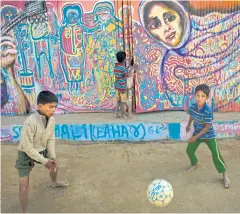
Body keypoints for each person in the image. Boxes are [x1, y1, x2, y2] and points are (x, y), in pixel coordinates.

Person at [15, 90, 69, 213]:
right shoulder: (30, 122)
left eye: (55, 107)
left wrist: (52, 157)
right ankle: (25, 211)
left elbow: (51, 138)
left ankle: (54, 182)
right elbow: (28, 148)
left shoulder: (52, 119)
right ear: (40, 106)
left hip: (41, 149)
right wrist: (45, 161)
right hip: (25, 153)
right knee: (24, 187)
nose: (54, 110)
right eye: (51, 107)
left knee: (54, 163)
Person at [186, 84, 231, 188]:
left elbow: (207, 127)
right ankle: (195, 163)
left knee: (216, 155)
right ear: (194, 95)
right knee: (189, 151)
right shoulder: (193, 106)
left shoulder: (207, 110)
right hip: (196, 133)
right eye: (198, 95)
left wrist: (195, 137)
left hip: (208, 135)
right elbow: (191, 115)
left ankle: (225, 174)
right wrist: (188, 125)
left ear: (206, 97)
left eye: (202, 96)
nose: (199, 98)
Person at [114, 51, 128, 118]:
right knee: (123, 101)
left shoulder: (116, 67)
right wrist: (132, 68)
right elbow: (126, 74)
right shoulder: (123, 68)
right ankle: (123, 114)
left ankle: (116, 113)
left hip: (117, 86)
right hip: (122, 87)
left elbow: (121, 74)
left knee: (118, 101)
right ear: (124, 59)